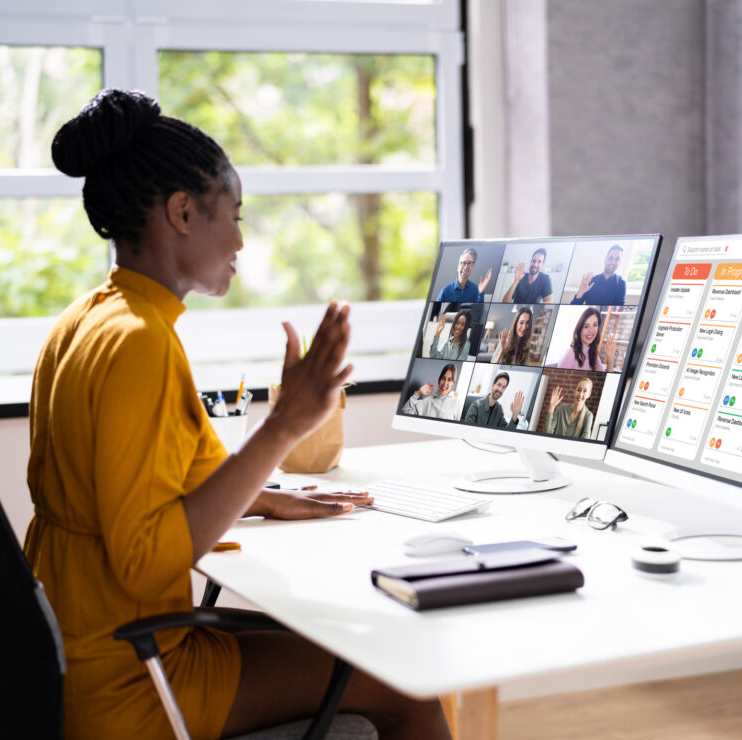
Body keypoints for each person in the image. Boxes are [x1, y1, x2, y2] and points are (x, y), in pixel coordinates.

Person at [26, 89, 450, 740]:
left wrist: (262, 496)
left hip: (87, 660)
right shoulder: (141, 341)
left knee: (348, 641)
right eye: (235, 215)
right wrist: (285, 427)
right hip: (138, 680)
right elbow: (143, 561)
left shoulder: (87, 319)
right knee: (405, 675)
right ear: (184, 213)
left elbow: (143, 496)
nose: (242, 241)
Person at [556, 307, 619, 372]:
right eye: (586, 326)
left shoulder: (593, 356)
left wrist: (610, 358)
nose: (591, 330)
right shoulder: (570, 354)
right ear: (579, 329)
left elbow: (605, 380)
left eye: (595, 325)